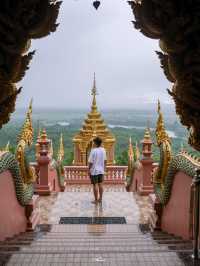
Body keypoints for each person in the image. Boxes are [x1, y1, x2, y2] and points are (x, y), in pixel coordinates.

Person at [88, 137, 107, 204]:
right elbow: (105, 161)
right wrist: (104, 168)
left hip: (94, 171)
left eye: (93, 143)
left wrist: (89, 169)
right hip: (101, 170)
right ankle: (100, 199)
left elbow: (90, 162)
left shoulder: (93, 151)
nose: (93, 144)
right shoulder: (103, 150)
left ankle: (96, 200)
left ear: (95, 143)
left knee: (95, 185)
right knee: (101, 184)